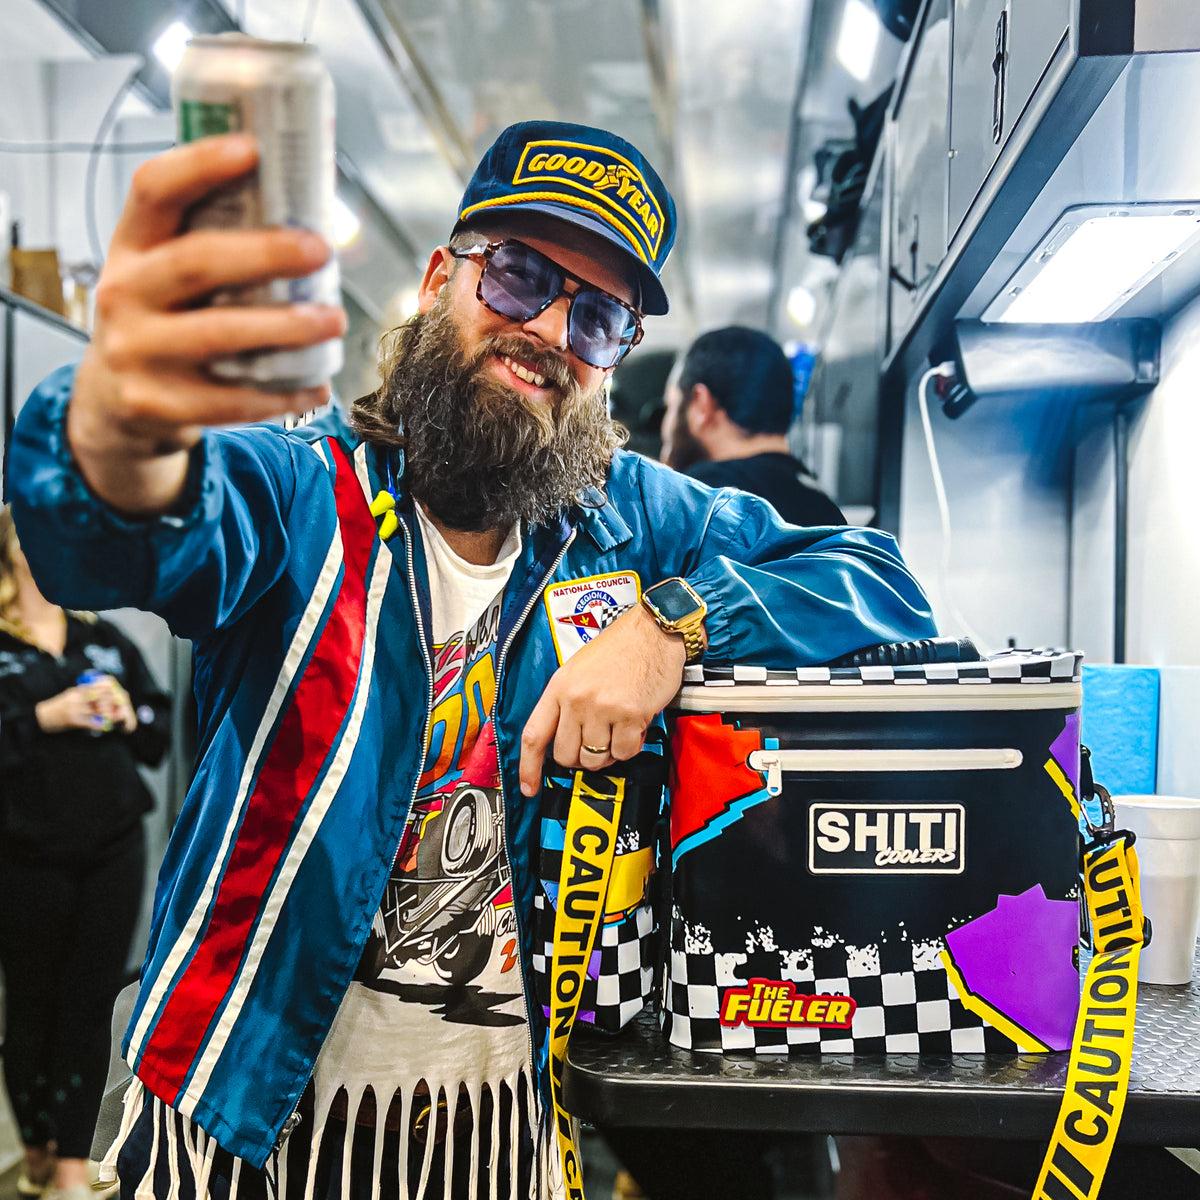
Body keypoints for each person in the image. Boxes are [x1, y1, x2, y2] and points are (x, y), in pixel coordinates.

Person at [7, 119, 935, 1200]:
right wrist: (118, 430)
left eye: (595, 317)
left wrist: (677, 622)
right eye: (520, 277)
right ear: (442, 277)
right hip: (244, 1113)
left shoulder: (631, 523)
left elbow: (874, 585)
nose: (547, 329)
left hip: (506, 1128)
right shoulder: (308, 494)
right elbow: (118, 534)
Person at [0, 505, 171, 1200]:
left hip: (112, 847)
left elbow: (158, 727)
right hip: (25, 853)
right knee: (32, 1005)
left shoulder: (103, 639)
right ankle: (39, 1144)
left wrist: (131, 714)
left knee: (87, 1003)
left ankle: (71, 1161)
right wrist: (44, 716)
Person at [660, 325, 845, 526]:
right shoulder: (826, 509)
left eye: (671, 406)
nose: (665, 426)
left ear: (701, 403)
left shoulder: (703, 498)